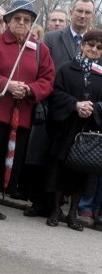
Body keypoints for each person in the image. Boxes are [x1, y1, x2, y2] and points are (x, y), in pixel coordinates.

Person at [0, 0, 54, 219]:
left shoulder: (40, 50)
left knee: (7, 161)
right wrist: (7, 85)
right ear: (8, 21)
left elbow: (47, 80)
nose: (21, 23)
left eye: (27, 20)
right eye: (17, 18)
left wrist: (29, 89)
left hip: (21, 117)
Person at [45, 29, 102, 230]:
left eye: (99, 47)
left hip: (89, 131)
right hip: (66, 127)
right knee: (58, 171)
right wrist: (75, 105)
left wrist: (94, 108)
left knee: (82, 173)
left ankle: (72, 214)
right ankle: (55, 210)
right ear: (82, 45)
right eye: (90, 44)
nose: (94, 49)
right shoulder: (66, 68)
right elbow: (56, 94)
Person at [43, 0, 96, 69]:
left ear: (92, 16)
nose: (83, 16)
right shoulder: (51, 38)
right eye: (80, 11)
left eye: (87, 12)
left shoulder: (97, 44)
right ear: (71, 13)